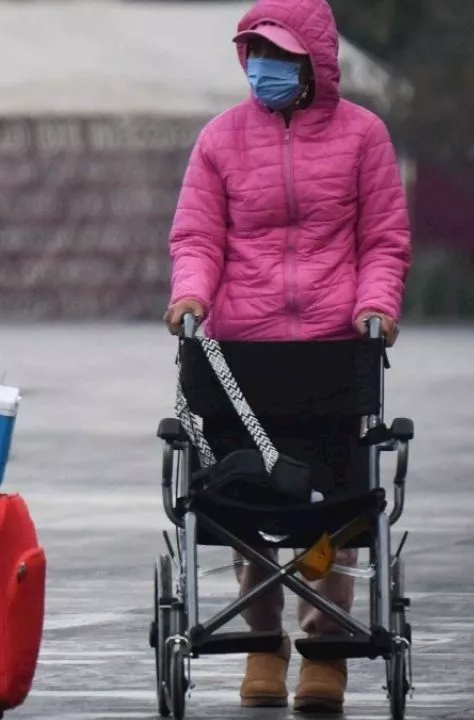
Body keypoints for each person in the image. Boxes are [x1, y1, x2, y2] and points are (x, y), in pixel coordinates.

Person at [162, 0, 411, 714]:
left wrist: (377, 306)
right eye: (256, 53)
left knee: (333, 513)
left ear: (313, 61)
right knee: (248, 505)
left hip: (335, 356)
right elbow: (198, 239)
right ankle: (263, 641)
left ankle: (325, 648)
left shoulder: (365, 137)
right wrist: (189, 297)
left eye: (279, 54)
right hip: (242, 354)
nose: (264, 67)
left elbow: (384, 241)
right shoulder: (219, 139)